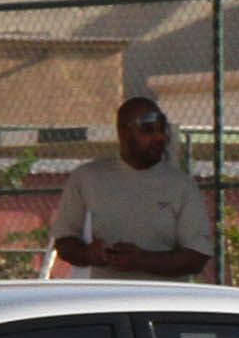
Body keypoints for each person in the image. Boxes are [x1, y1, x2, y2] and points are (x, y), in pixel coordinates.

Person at [51, 96, 213, 280]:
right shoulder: (86, 178)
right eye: (148, 129)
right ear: (124, 132)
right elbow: (64, 241)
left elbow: (197, 257)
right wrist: (88, 254)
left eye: (162, 129)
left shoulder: (182, 185)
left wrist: (143, 261)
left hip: (162, 298)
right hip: (105, 296)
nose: (159, 137)